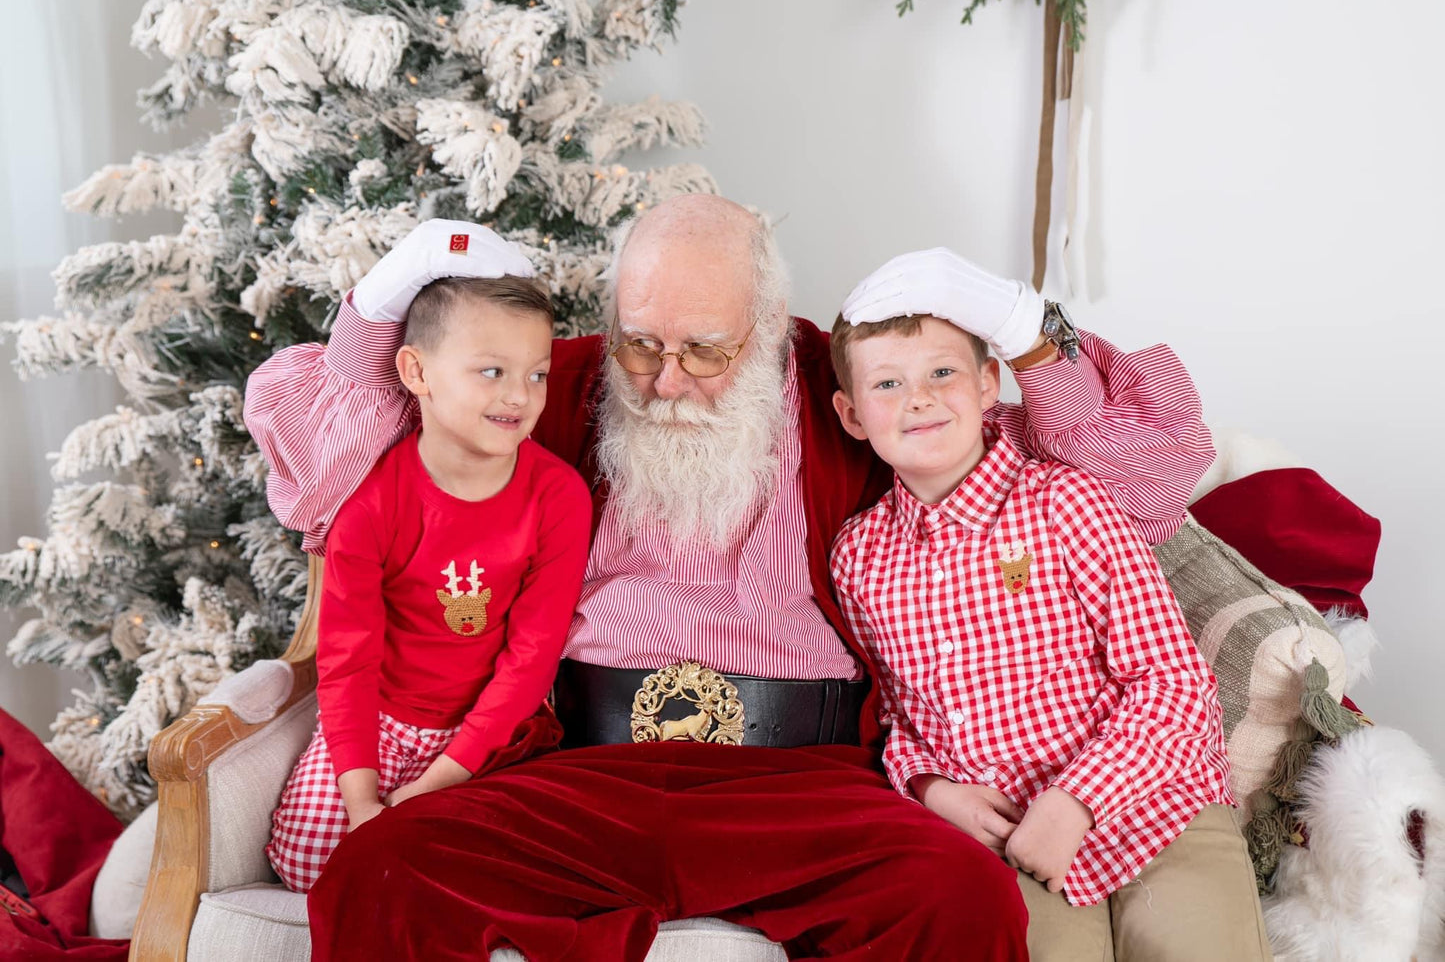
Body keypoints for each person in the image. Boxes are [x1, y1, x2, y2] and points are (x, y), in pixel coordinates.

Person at [243, 196, 1214, 960]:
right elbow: (343, 478)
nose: (665, 380)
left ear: (769, 330)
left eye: (706, 350)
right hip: (580, 768)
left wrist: (1022, 326)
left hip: (803, 779)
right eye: (641, 343)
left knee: (952, 897)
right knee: (383, 871)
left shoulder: (858, 398)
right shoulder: (558, 385)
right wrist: (381, 299)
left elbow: (1129, 484)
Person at [826, 251, 1270, 960]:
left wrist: (1074, 801)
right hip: (1013, 839)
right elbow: (899, 716)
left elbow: (1174, 684)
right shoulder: (860, 557)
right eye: (887, 383)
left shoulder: (1064, 499)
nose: (918, 398)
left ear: (985, 382)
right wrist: (934, 789)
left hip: (1159, 807)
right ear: (851, 416)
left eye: (942, 372)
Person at [263, 262, 592, 893]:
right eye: (491, 371)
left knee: (477, 871)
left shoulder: (558, 497)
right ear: (417, 373)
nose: (519, 396)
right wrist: (361, 801)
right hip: (379, 721)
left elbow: (530, 658)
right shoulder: (372, 502)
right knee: (308, 861)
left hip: (494, 736)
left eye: (537, 374)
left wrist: (440, 779)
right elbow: (347, 659)